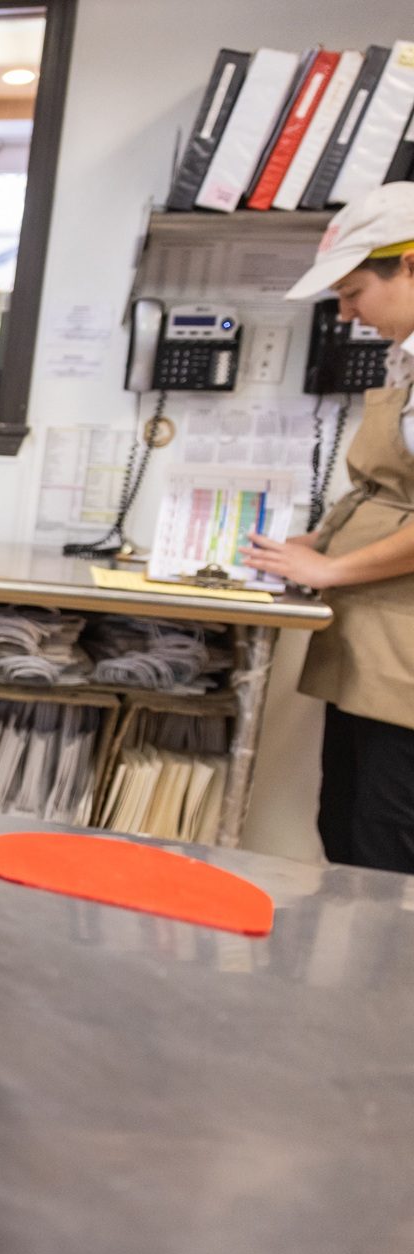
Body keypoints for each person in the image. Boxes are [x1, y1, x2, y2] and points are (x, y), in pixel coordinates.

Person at [245, 181, 414, 875]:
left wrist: (331, 569)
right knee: (344, 829)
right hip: (374, 651)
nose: (345, 313)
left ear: (410, 266)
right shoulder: (406, 359)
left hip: (403, 663)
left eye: (353, 292)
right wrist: (319, 542)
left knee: (386, 848)